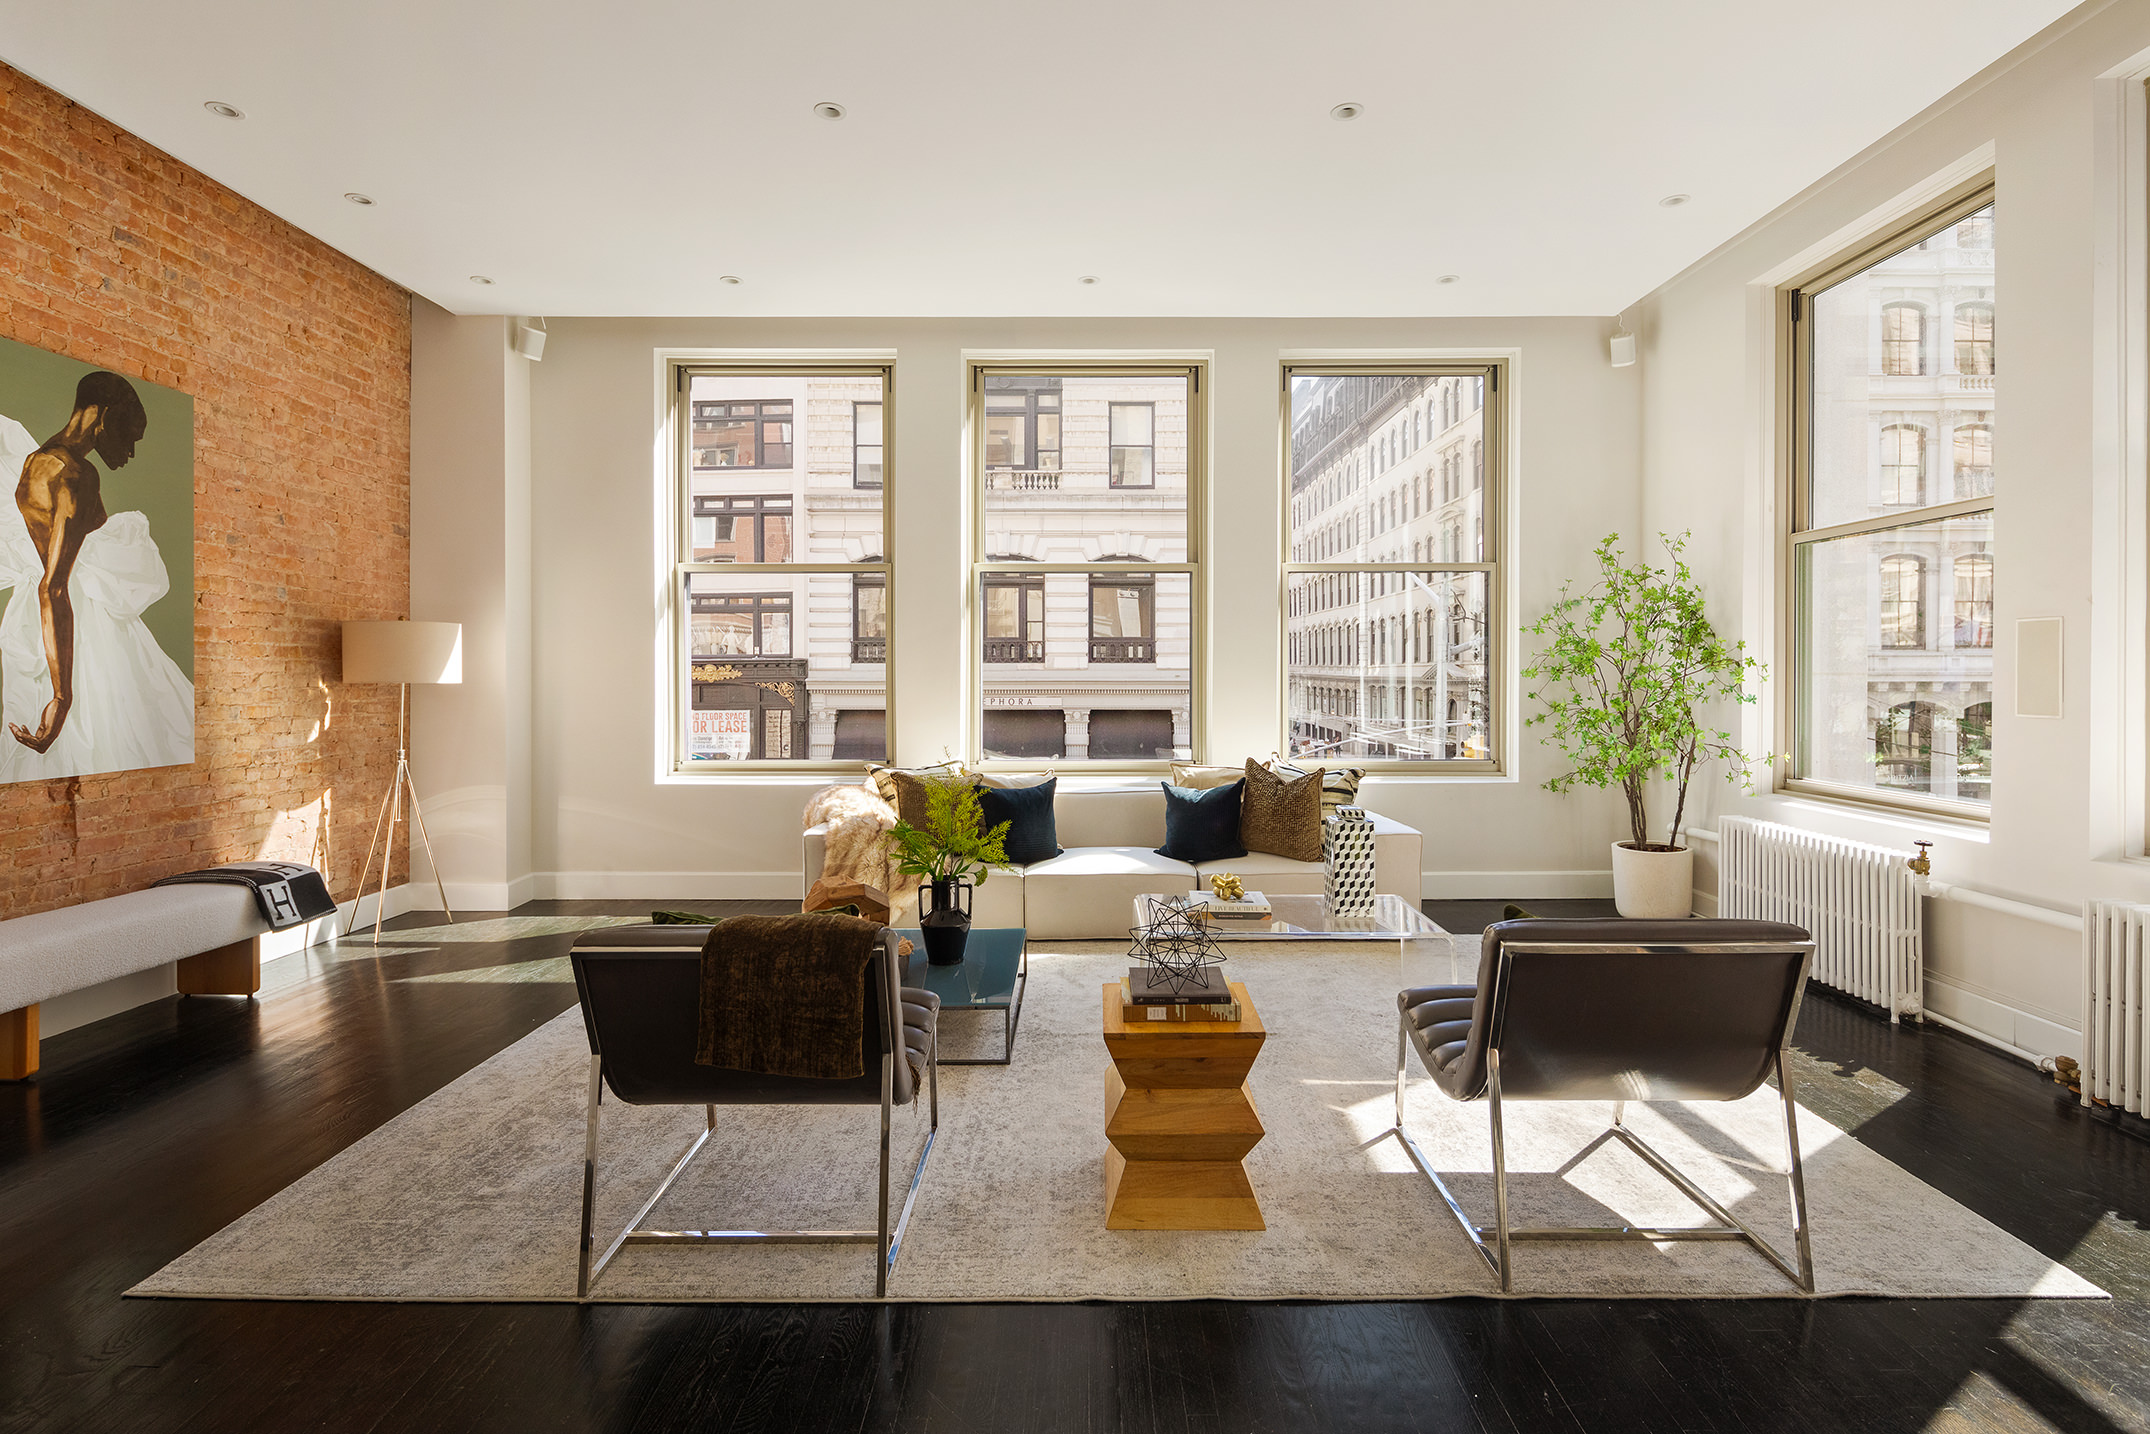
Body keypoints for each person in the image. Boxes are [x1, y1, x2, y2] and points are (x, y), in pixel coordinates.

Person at [0, 371, 193, 780]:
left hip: (43, 630)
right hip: (86, 633)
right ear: (102, 415)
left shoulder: (36, 462)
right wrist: (62, 697)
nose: (131, 450)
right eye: (131, 434)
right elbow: (54, 585)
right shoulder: (74, 475)